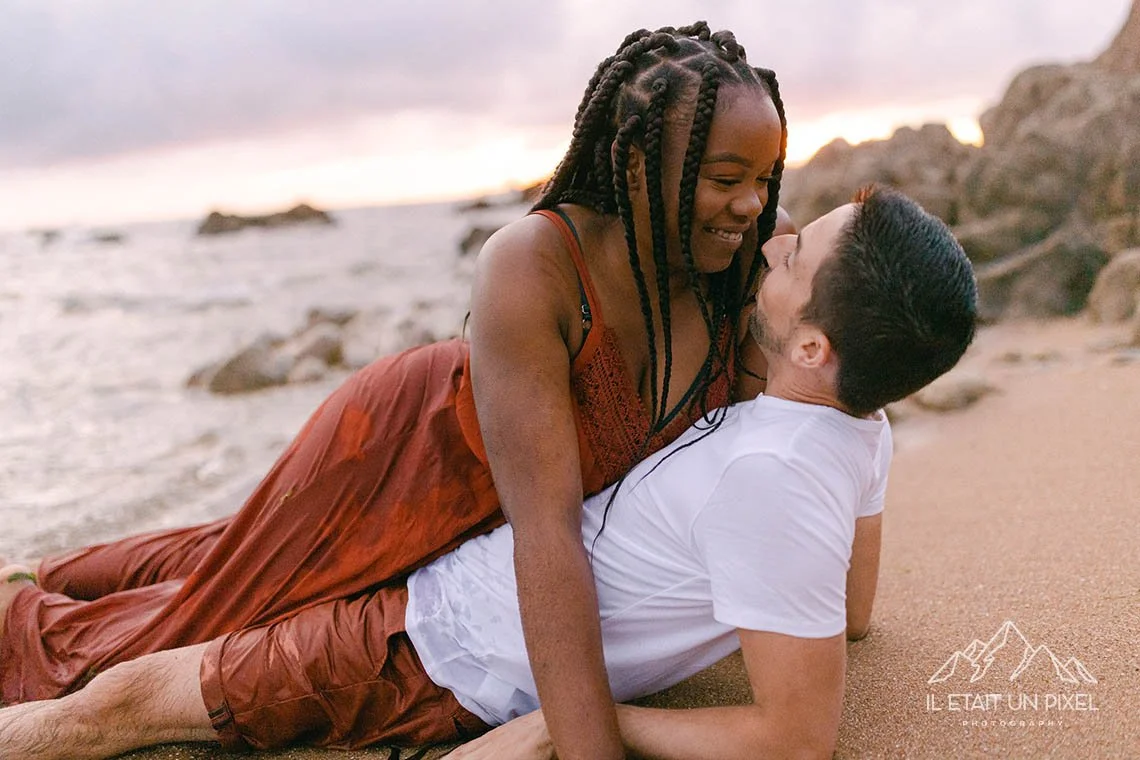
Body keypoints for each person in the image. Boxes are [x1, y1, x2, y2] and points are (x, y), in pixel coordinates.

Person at [0, 22, 792, 760]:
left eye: (764, 177)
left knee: (230, 550)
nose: (752, 204)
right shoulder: (536, 263)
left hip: (474, 521)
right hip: (401, 458)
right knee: (209, 615)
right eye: (725, 178)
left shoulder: (745, 270)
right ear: (632, 163)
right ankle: (19, 606)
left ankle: (54, 563)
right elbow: (545, 535)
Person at [0, 187, 979, 760]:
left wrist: (581, 718)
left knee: (126, 703)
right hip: (459, 567)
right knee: (200, 570)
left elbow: (797, 735)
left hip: (428, 653)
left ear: (811, 343)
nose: (772, 241)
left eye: (795, 255)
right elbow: (847, 615)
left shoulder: (769, 477)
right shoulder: (860, 426)